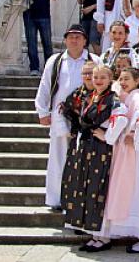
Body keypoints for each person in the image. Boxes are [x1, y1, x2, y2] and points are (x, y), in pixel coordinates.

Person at [34, 25, 101, 210]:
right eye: (71, 37)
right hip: (59, 116)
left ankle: (79, 199)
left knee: (82, 158)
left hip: (85, 118)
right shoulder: (55, 61)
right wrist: (42, 112)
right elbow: (45, 86)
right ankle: (56, 199)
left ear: (85, 41)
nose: (74, 41)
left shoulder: (94, 60)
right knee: (58, 157)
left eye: (78, 37)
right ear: (65, 40)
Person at [64, 64, 122, 252]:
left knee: (98, 188)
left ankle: (103, 235)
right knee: (87, 187)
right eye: (95, 77)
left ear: (110, 79)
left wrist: (105, 133)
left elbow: (119, 119)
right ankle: (94, 233)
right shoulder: (90, 96)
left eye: (102, 78)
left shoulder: (113, 99)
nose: (98, 80)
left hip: (101, 149)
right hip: (87, 146)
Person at [102, 67, 139, 253]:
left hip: (135, 151)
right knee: (129, 189)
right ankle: (137, 232)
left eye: (127, 79)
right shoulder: (128, 96)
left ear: (137, 81)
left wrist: (134, 135)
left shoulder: (136, 97)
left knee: (137, 189)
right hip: (127, 151)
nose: (123, 82)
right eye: (121, 78)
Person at [59, 60, 95, 214]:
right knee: (75, 178)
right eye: (85, 73)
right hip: (79, 142)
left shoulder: (104, 94)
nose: (88, 76)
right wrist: (74, 126)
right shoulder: (76, 93)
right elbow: (66, 109)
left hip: (98, 143)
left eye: (91, 73)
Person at [18, 0, 58, 75]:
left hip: (44, 15)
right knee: (31, 42)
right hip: (29, 15)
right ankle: (34, 68)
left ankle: (49, 68)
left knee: (47, 43)